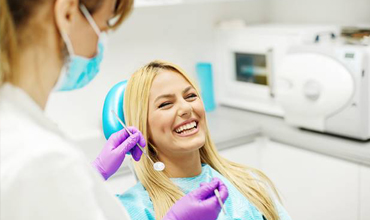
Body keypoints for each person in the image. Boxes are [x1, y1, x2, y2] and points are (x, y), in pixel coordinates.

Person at [0, 0, 228, 219]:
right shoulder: (43, 159)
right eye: (104, 25)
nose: (99, 45)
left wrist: (94, 172)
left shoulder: (21, 133)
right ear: (68, 13)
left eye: (190, 96)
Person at [117, 60, 292, 220]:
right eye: (165, 104)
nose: (185, 108)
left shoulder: (247, 185)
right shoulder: (132, 209)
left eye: (191, 96)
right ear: (142, 127)